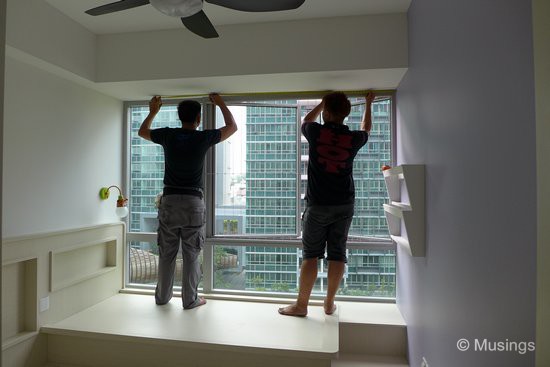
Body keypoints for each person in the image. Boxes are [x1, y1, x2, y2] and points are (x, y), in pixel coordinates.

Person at [278, 91, 375, 317]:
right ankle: (329, 303)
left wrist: (321, 103)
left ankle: (302, 305)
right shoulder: (353, 139)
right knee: (337, 254)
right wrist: (369, 103)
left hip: (318, 204)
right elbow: (366, 129)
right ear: (346, 114)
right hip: (344, 204)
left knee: (311, 255)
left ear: (327, 112)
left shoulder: (315, 131)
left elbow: (306, 120)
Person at [138, 93, 237, 309]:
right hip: (193, 202)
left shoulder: (168, 135)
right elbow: (232, 126)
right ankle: (190, 300)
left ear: (179, 117)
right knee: (191, 254)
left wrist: (153, 112)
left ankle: (162, 298)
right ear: (199, 118)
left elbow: (142, 131)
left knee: (167, 253)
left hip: (170, 200)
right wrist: (220, 103)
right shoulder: (202, 138)